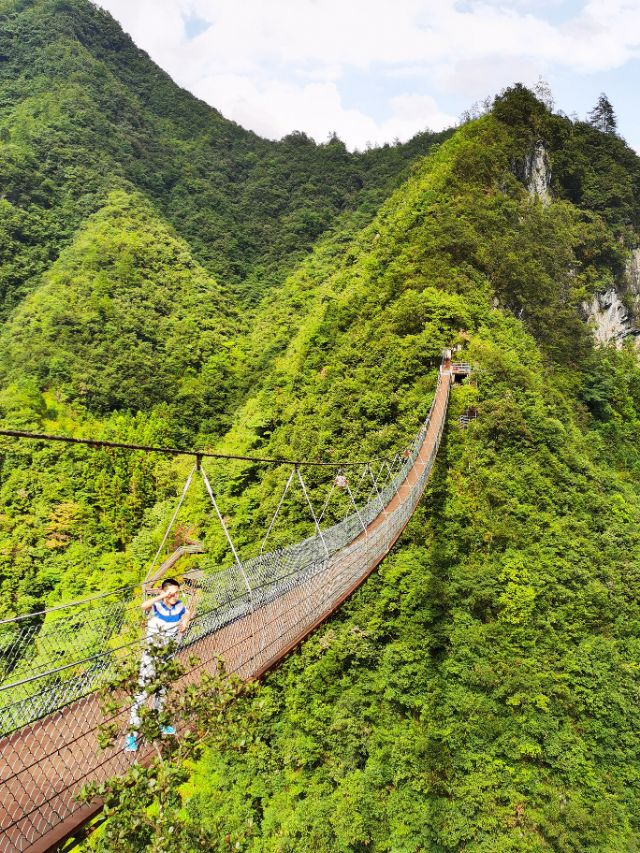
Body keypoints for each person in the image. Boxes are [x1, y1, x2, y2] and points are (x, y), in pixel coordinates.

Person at [124, 578, 191, 752]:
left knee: (162, 690)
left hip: (167, 655)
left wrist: (185, 621)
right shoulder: (156, 607)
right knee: (142, 693)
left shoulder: (179, 606)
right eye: (172, 593)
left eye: (177, 592)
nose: (175, 596)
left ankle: (160, 722)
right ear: (165, 593)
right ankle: (132, 735)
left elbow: (187, 612)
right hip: (151, 656)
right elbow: (143, 606)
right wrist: (162, 596)